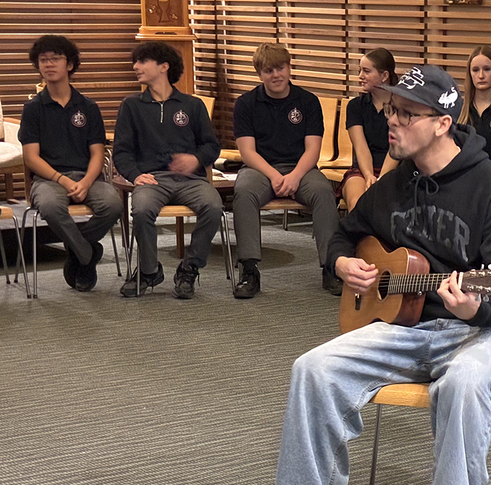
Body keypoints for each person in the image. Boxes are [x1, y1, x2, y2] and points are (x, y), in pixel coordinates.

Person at [273, 65, 491, 485]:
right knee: (312, 369)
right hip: (403, 328)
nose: (392, 120)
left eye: (407, 114)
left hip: (486, 333)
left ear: (442, 124)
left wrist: (475, 306)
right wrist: (341, 264)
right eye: (393, 109)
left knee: (463, 384)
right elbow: (343, 234)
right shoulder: (396, 184)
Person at [230, 43, 341, 299]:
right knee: (244, 191)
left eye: (280, 68)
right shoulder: (246, 104)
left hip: (300, 168)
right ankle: (249, 270)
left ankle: (331, 267)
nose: (276, 75)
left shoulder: (307, 101)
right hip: (260, 169)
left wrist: (294, 176)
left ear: (289, 68)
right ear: (259, 74)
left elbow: (313, 149)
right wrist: (274, 175)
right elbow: (247, 151)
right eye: (268, 70)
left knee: (324, 192)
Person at [112, 41, 222, 299]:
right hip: (152, 179)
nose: (135, 67)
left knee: (214, 207)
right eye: (135, 62)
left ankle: (189, 268)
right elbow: (122, 151)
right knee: (141, 209)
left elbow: (211, 146)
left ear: (163, 67)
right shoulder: (131, 106)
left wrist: (195, 159)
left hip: (190, 181)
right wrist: (135, 174)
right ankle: (149, 271)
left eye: (142, 61)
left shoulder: (192, 105)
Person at [18, 34, 123, 291]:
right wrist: (61, 179)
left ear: (70, 65)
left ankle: (77, 250)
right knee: (52, 207)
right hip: (49, 179)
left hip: (87, 177)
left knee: (113, 204)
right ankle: (87, 255)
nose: (49, 64)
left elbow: (98, 152)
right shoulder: (33, 109)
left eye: (55, 59)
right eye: (43, 60)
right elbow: (31, 157)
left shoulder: (88, 106)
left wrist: (87, 181)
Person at [339, 47, 398, 212]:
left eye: (366, 71)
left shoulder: (402, 106)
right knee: (358, 203)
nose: (360, 76)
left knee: (383, 205)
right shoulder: (355, 106)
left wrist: (381, 179)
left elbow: (396, 149)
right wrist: (369, 176)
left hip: (394, 169)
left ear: (384, 76)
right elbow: (360, 148)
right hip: (364, 168)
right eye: (360, 71)